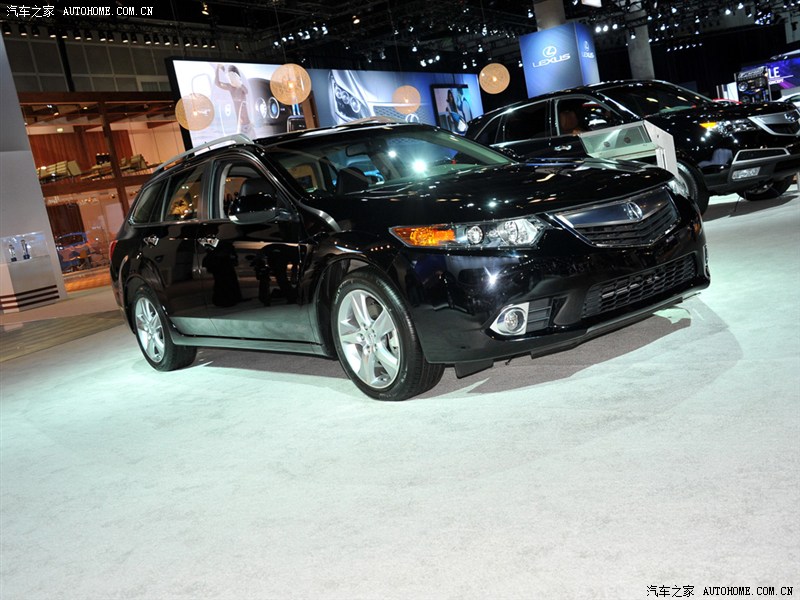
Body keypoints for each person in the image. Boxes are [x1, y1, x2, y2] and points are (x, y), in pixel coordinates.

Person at [215, 64, 251, 134]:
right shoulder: (230, 87)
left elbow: (246, 91)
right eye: (229, 76)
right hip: (240, 126)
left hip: (248, 125)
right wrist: (217, 68)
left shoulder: (241, 87)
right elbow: (217, 83)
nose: (230, 79)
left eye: (232, 76)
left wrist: (238, 83)